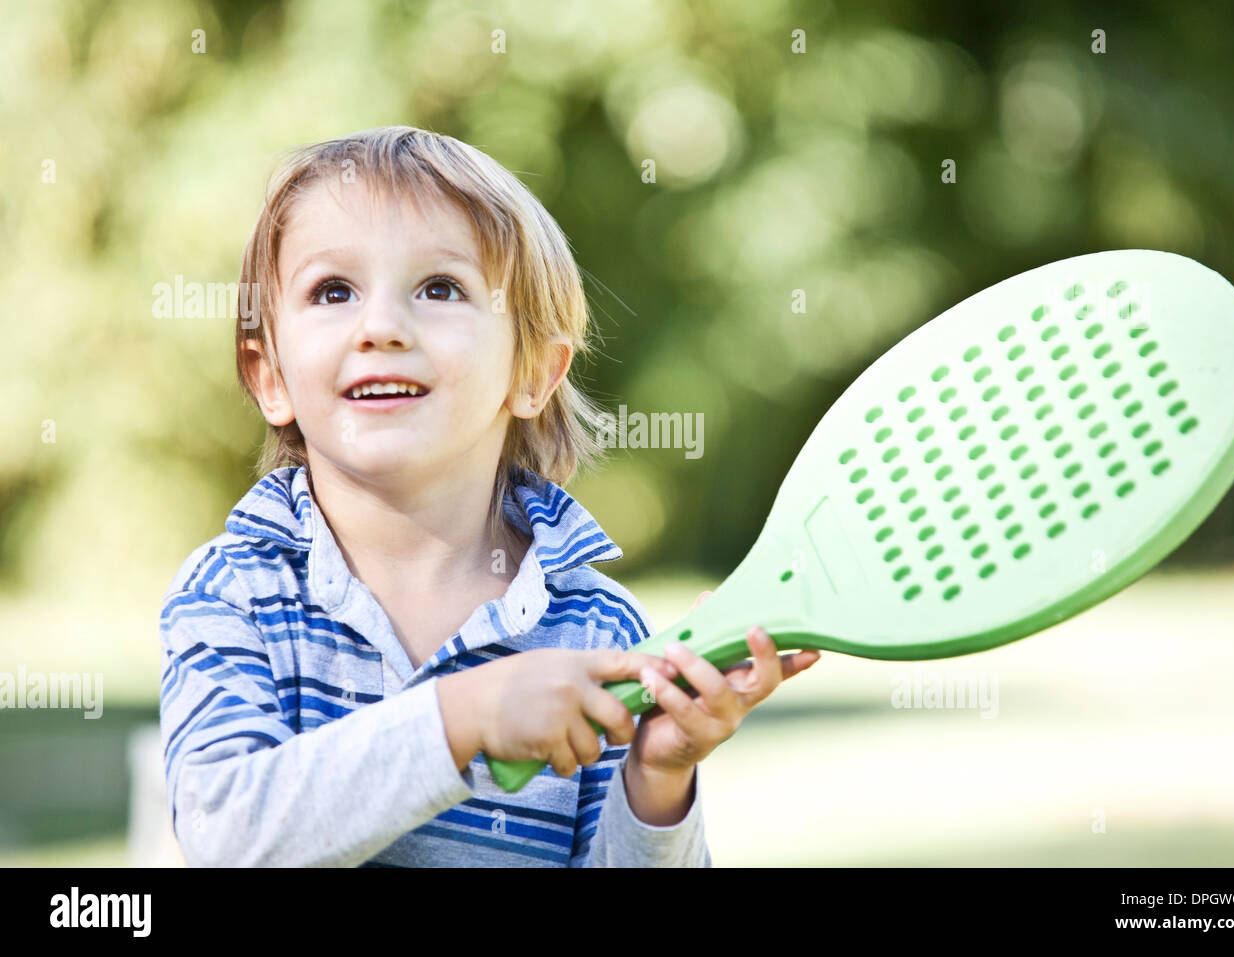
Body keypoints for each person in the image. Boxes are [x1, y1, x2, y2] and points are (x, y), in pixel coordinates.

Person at [158, 126, 820, 867]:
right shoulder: (233, 593)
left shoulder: (597, 629)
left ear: (533, 372)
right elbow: (225, 840)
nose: (380, 327)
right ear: (269, 375)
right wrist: (459, 720)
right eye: (333, 290)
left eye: (440, 288)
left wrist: (657, 781)